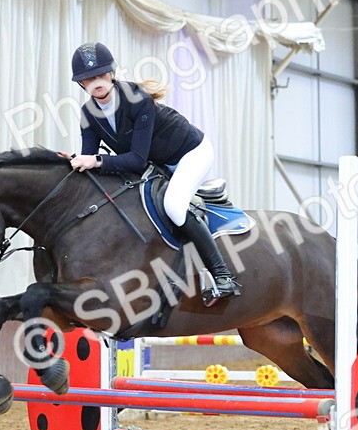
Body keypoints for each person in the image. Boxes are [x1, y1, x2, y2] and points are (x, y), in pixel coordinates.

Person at [68, 41, 241, 303]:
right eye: (88, 78)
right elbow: (92, 160)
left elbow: (135, 160)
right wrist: (74, 163)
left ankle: (222, 276)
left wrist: (96, 161)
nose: (96, 81)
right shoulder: (87, 114)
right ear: (81, 84)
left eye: (101, 74)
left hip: (190, 153)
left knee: (173, 205)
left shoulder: (138, 100)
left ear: (111, 73)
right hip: (157, 162)